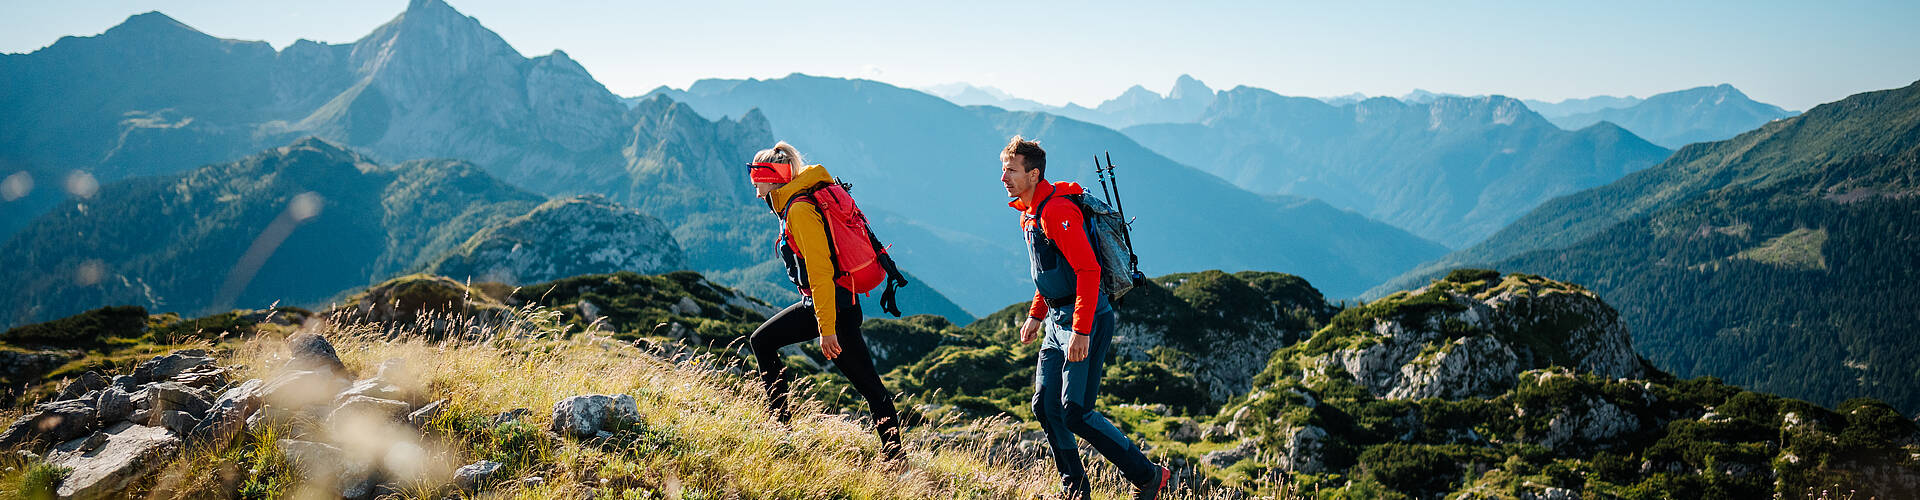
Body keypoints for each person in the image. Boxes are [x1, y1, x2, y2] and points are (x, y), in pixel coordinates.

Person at [1000, 135, 1171, 499]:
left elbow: (1088, 271)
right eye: (1004, 170)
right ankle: (1074, 489)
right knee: (1045, 406)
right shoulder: (1030, 215)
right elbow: (1051, 271)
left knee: (1075, 411)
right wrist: (1036, 315)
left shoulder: (1057, 212)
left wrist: (1081, 330)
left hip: (1086, 320)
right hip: (1056, 323)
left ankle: (1149, 476)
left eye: (1011, 171)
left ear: (1033, 174)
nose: (1004, 178)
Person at [745, 141, 903, 461]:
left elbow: (821, 273)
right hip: (826, 304)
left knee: (870, 387)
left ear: (772, 178)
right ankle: (781, 429)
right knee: (762, 341)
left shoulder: (799, 210)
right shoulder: (793, 203)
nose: (754, 187)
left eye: (756, 177)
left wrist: (826, 328)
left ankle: (897, 460)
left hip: (835, 308)